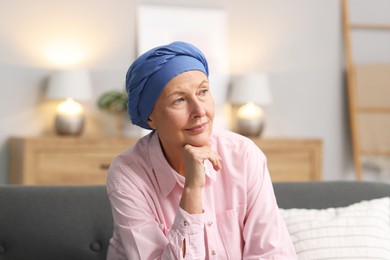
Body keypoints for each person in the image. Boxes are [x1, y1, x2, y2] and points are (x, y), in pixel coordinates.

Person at [106, 41, 297, 259]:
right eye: (179, 100)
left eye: (203, 91)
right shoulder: (127, 175)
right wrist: (192, 190)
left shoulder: (243, 155)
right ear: (151, 117)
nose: (199, 111)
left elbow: (272, 253)